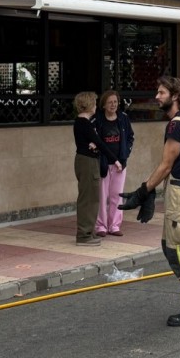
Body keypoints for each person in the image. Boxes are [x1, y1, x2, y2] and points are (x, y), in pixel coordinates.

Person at [120, 76, 180, 326]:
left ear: (175, 96)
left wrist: (143, 191)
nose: (157, 96)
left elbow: (166, 164)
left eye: (161, 92)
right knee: (170, 245)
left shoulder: (176, 126)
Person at [73, 91, 116, 246]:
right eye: (94, 102)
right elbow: (98, 142)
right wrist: (114, 159)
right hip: (87, 162)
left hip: (87, 160)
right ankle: (84, 235)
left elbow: (94, 142)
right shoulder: (83, 123)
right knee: (88, 199)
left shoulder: (85, 122)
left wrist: (94, 144)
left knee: (92, 197)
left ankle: (89, 231)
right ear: (89, 104)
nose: (96, 106)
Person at [93, 91, 134, 237]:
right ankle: (101, 226)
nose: (113, 105)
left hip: (120, 164)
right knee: (102, 196)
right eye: (110, 102)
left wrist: (125, 154)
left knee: (117, 195)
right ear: (103, 104)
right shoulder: (97, 119)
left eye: (115, 102)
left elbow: (130, 137)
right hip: (103, 164)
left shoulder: (123, 118)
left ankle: (114, 225)